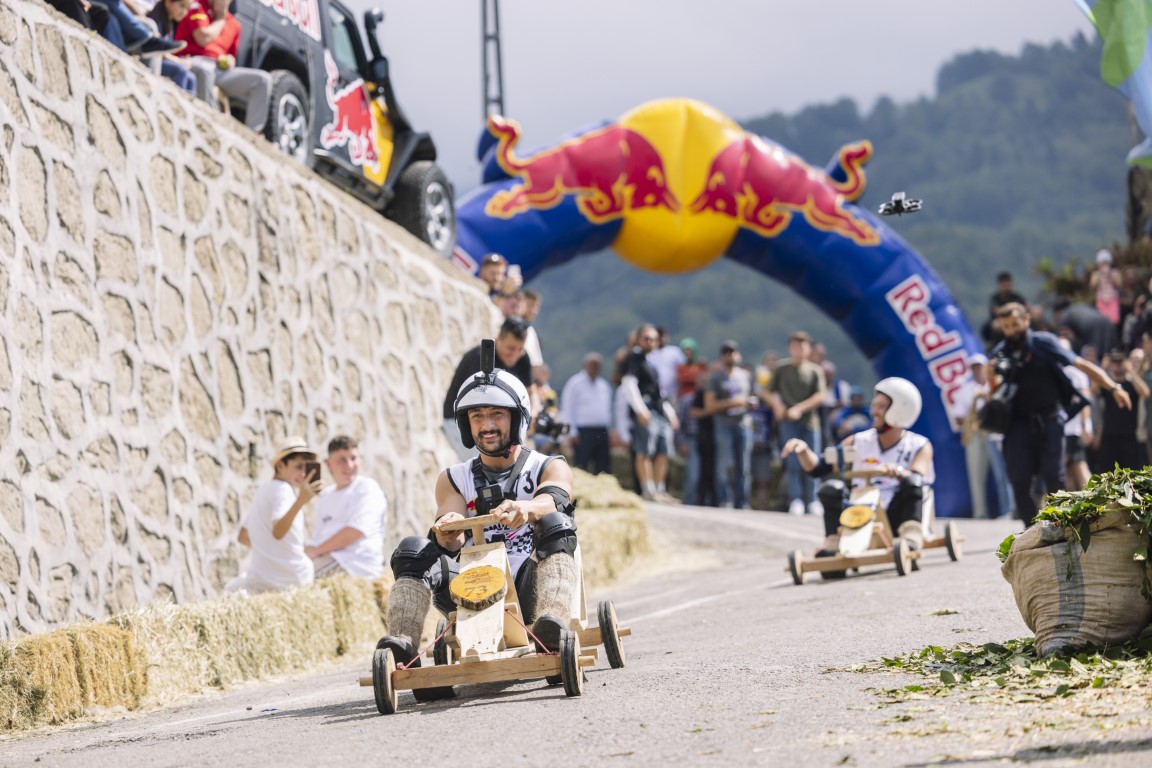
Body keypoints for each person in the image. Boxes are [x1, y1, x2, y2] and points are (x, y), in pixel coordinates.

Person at [375, 365, 579, 678]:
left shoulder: (549, 466)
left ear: (517, 419)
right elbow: (452, 538)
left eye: (496, 414)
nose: (486, 425)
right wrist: (450, 525)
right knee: (413, 549)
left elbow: (553, 497)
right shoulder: (453, 478)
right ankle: (403, 645)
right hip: (470, 589)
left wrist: (527, 509)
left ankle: (552, 625)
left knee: (556, 522)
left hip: (530, 585)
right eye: (477, 416)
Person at [989, 302, 1131, 526]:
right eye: (1006, 326)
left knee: (1054, 476)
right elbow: (995, 393)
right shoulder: (1000, 352)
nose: (1012, 330)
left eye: (1015, 324)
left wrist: (1113, 387)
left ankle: (1061, 527)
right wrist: (992, 377)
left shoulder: (1043, 342)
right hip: (1017, 424)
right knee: (1018, 480)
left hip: (1051, 418)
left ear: (1026, 320)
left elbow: (1081, 364)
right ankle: (1031, 530)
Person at [781, 377, 934, 557]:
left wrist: (898, 472)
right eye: (874, 405)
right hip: (859, 511)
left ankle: (910, 535)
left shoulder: (918, 445)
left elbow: (917, 476)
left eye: (881, 407)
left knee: (912, 482)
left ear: (900, 410)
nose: (873, 411)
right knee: (830, 489)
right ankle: (834, 540)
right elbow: (818, 467)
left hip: (896, 512)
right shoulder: (858, 442)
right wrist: (804, 451)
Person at [226, 436, 321, 593]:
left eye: (306, 468)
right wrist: (301, 501)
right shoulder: (283, 490)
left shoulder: (263, 490)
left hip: (260, 579)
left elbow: (243, 536)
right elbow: (278, 532)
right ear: (280, 466)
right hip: (291, 581)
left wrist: (270, 551)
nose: (303, 474)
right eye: (298, 467)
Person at [441, 319, 538, 461]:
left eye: (520, 349)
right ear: (499, 339)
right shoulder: (478, 359)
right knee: (484, 464)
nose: (515, 354)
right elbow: (480, 405)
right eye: (511, 348)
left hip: (491, 417)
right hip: (459, 420)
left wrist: (532, 415)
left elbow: (531, 391)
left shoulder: (522, 358)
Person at [172, 0, 273, 132]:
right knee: (205, 70)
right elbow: (202, 37)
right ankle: (212, 124)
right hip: (192, 59)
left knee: (263, 79)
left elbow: (232, 56)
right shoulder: (196, 5)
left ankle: (253, 134)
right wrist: (220, 18)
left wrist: (230, 60)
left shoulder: (235, 25)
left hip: (220, 70)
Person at [304, 435, 388, 579]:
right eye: (342, 460)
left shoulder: (367, 488)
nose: (349, 465)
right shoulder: (326, 495)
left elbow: (354, 532)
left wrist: (316, 551)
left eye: (353, 458)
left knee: (299, 578)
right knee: (289, 570)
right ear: (329, 464)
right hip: (329, 558)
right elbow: (318, 536)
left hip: (355, 563)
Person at [767, 331, 826, 516]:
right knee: (792, 462)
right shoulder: (781, 368)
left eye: (802, 346)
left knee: (812, 461)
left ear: (808, 349)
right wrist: (777, 405)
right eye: (794, 346)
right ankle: (796, 499)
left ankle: (813, 500)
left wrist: (799, 408)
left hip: (809, 422)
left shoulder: (815, 370)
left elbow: (821, 395)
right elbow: (765, 391)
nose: (798, 350)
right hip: (788, 422)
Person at [620, 323, 680, 502]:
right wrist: (640, 410)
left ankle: (659, 489)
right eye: (646, 338)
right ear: (638, 339)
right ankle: (648, 489)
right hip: (646, 409)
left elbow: (658, 392)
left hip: (659, 409)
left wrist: (670, 412)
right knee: (645, 450)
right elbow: (629, 385)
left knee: (663, 450)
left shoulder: (652, 361)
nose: (650, 342)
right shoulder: (633, 359)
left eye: (653, 339)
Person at [952, 354, 1013, 518]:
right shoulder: (965, 389)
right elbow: (958, 417)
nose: (978, 370)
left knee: (1002, 472)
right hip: (975, 434)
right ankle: (980, 513)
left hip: (993, 433)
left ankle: (1008, 510)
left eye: (980, 366)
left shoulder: (994, 386)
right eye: (974, 367)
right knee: (976, 476)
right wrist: (976, 418)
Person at [705, 340, 757, 509]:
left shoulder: (745, 376)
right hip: (723, 424)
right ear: (721, 356)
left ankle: (742, 502)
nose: (730, 355)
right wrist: (732, 402)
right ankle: (724, 499)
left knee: (744, 466)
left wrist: (750, 402)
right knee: (723, 465)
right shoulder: (715, 378)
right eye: (726, 352)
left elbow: (751, 397)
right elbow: (710, 405)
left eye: (733, 352)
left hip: (743, 423)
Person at [1092, 350, 1149, 471]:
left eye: (1120, 362)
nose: (1118, 365)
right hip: (1109, 437)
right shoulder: (1109, 385)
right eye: (1115, 362)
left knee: (1130, 475)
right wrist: (1103, 368)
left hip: (1129, 437)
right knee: (1108, 474)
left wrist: (1130, 370)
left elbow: (1145, 392)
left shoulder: (1131, 384)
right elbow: (1093, 390)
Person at [559, 353, 614, 474]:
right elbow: (568, 408)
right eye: (592, 365)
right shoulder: (575, 383)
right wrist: (572, 431)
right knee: (582, 464)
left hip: (601, 430)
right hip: (583, 431)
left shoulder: (603, 385)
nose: (595, 368)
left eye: (598, 365)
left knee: (603, 465)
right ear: (585, 365)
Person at [1059, 341, 1094, 492]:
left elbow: (1084, 400)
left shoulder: (1076, 373)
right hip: (1062, 429)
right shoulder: (1058, 371)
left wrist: (1086, 425)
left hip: (1072, 431)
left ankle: (1098, 502)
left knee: (1078, 468)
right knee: (1068, 471)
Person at [982, 271, 1027, 344]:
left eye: (1007, 282)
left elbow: (1025, 308)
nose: (1006, 285)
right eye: (1003, 282)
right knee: (995, 325)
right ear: (999, 284)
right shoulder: (995, 298)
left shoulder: (1017, 296)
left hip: (1016, 319)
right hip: (1000, 320)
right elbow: (995, 311)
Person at [1089, 249, 1121, 327]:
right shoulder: (1096, 274)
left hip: (1112, 300)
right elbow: (1092, 286)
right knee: (1101, 323)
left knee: (1113, 323)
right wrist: (1099, 274)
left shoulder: (1114, 273)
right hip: (1101, 301)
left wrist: (1109, 275)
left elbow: (1119, 284)